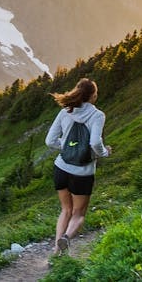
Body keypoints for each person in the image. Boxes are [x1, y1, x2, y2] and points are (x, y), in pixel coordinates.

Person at [45, 77, 111, 257]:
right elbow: (95, 142)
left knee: (65, 210)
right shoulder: (97, 115)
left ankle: (56, 252)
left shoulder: (65, 111)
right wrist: (104, 153)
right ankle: (66, 238)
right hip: (82, 173)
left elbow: (49, 141)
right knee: (79, 213)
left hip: (61, 167)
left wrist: (67, 148)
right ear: (92, 96)